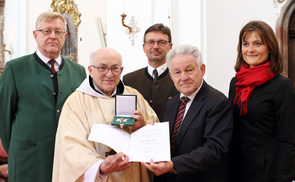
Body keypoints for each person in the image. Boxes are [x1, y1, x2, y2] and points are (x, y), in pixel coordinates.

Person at [0, 11, 86, 182]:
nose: (53, 36)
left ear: (65, 36)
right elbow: (4, 117)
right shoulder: (15, 68)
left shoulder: (79, 71)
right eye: (46, 31)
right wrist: (18, 149)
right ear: (35, 35)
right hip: (28, 160)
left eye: (58, 31)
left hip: (68, 158)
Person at [52, 48, 159, 182]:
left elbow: (156, 135)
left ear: (121, 70)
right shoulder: (76, 102)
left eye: (115, 68)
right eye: (102, 68)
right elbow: (70, 146)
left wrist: (142, 128)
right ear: (90, 70)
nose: (109, 74)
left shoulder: (134, 95)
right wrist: (101, 167)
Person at [142, 44, 233, 182]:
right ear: (171, 76)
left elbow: (214, 149)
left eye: (189, 70)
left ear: (202, 70)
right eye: (177, 72)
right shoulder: (171, 104)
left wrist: (174, 165)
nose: (183, 77)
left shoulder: (218, 103)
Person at [229, 20, 295, 182]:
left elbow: (288, 140)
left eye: (257, 43)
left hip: (267, 173)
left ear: (269, 48)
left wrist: (282, 179)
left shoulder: (282, 85)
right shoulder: (235, 83)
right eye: (246, 44)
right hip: (237, 169)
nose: (250, 49)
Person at [123, 23, 179, 121]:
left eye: (161, 42)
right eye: (151, 42)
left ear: (170, 47)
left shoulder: (180, 78)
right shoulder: (129, 80)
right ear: (144, 47)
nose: (155, 46)